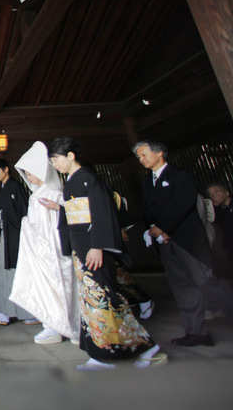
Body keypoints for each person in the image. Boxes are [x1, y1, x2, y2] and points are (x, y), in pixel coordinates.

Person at [42, 137, 164, 370]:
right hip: (84, 249)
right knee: (99, 302)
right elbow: (78, 215)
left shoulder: (88, 179)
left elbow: (102, 213)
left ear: (70, 156)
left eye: (56, 159)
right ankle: (119, 351)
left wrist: (98, 246)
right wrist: (59, 208)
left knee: (102, 301)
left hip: (93, 249)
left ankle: (113, 354)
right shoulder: (72, 181)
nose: (54, 164)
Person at [135, 140, 233, 347]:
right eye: (139, 157)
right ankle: (196, 332)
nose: (141, 159)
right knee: (182, 287)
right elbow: (146, 210)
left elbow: (184, 204)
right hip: (165, 242)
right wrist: (153, 229)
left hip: (188, 242)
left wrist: (163, 227)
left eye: (144, 154)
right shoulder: (147, 181)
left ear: (160, 153)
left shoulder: (180, 176)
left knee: (209, 284)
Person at [9, 141, 79, 345]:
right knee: (47, 289)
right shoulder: (37, 195)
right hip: (41, 250)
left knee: (60, 287)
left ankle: (65, 326)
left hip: (53, 249)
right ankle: (52, 325)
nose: (28, 177)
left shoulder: (53, 194)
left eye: (31, 173)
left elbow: (56, 226)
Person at [0, 158, 38, 326]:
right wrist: (0, 217)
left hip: (16, 237)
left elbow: (23, 212)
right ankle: (6, 311)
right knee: (8, 273)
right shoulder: (5, 188)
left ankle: (17, 312)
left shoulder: (15, 187)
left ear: (6, 169)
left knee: (15, 273)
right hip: (8, 235)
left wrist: (3, 216)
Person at [112, 191, 154, 320]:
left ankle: (143, 299)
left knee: (119, 274)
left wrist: (120, 229)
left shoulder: (105, 191)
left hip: (109, 237)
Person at [207, 183, 233, 278]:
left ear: (227, 192)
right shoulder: (218, 213)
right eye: (211, 194)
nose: (214, 195)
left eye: (216, 191)